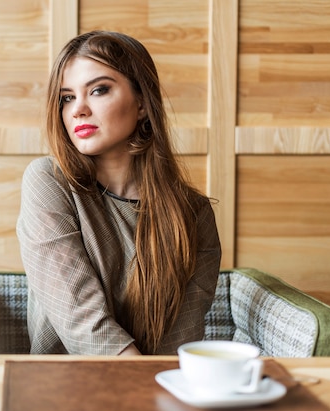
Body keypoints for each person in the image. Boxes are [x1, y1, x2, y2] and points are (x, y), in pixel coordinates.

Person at [16, 31, 222, 356]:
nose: (78, 110)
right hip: (61, 394)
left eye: (98, 90)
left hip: (156, 390)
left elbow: (180, 338)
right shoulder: (48, 182)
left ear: (141, 103)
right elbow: (81, 320)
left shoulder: (194, 214)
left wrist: (154, 396)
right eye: (67, 97)